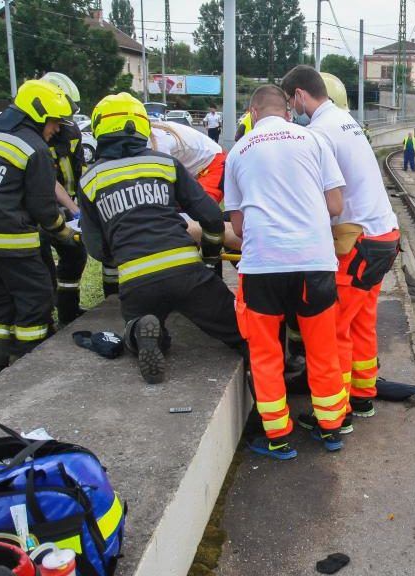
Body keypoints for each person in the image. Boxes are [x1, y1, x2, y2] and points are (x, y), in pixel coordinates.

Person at [77, 93, 242, 384]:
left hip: (137, 282)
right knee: (241, 332)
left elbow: (95, 247)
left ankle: (142, 329)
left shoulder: (90, 180)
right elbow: (211, 216)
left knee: (142, 334)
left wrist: (123, 252)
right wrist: (210, 255)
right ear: (142, 126)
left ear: (99, 129)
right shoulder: (165, 163)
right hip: (187, 274)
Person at [225, 84, 349, 460]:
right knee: (323, 348)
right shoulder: (314, 141)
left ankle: (277, 436)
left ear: (252, 111)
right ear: (287, 110)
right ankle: (330, 428)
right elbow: (335, 204)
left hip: (263, 265)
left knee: (266, 352)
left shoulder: (237, 152)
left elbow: (239, 226)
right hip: (314, 262)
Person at [282, 65, 401, 427]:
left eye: (291, 101)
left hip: (358, 243)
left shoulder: (318, 133)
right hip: (385, 237)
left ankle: (336, 414)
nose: (291, 109)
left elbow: (320, 198)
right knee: (361, 323)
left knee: (333, 331)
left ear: (300, 95)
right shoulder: (345, 122)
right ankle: (363, 399)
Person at [0, 79, 78, 383]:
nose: (57, 129)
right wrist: (66, 234)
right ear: (36, 117)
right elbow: (43, 209)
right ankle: (30, 365)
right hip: (7, 238)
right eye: (54, 122)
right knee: (36, 296)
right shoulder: (34, 149)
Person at [38, 71, 89, 326]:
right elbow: (46, 179)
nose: (63, 120)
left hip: (68, 206)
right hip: (41, 210)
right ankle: (40, 322)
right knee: (41, 270)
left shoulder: (70, 132)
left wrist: (82, 202)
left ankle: (68, 312)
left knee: (75, 254)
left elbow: (79, 169)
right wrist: (74, 208)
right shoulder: (33, 136)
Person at [146, 121, 241, 252]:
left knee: (198, 221)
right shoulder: (150, 137)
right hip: (197, 170)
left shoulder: (158, 142)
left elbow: (160, 188)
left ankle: (256, 247)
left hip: (213, 165)